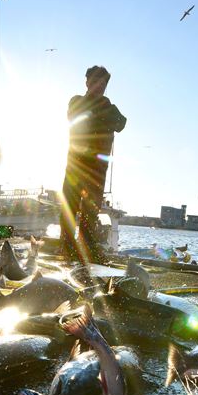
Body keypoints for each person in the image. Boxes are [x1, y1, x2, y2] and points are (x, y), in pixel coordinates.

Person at [59, 65, 126, 264]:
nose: (100, 86)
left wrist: (106, 107)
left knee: (90, 211)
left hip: (97, 171)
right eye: (96, 82)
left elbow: (121, 123)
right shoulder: (76, 101)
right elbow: (77, 116)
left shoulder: (109, 106)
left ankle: (87, 250)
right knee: (69, 208)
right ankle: (67, 247)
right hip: (75, 167)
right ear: (87, 82)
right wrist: (104, 110)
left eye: (104, 84)